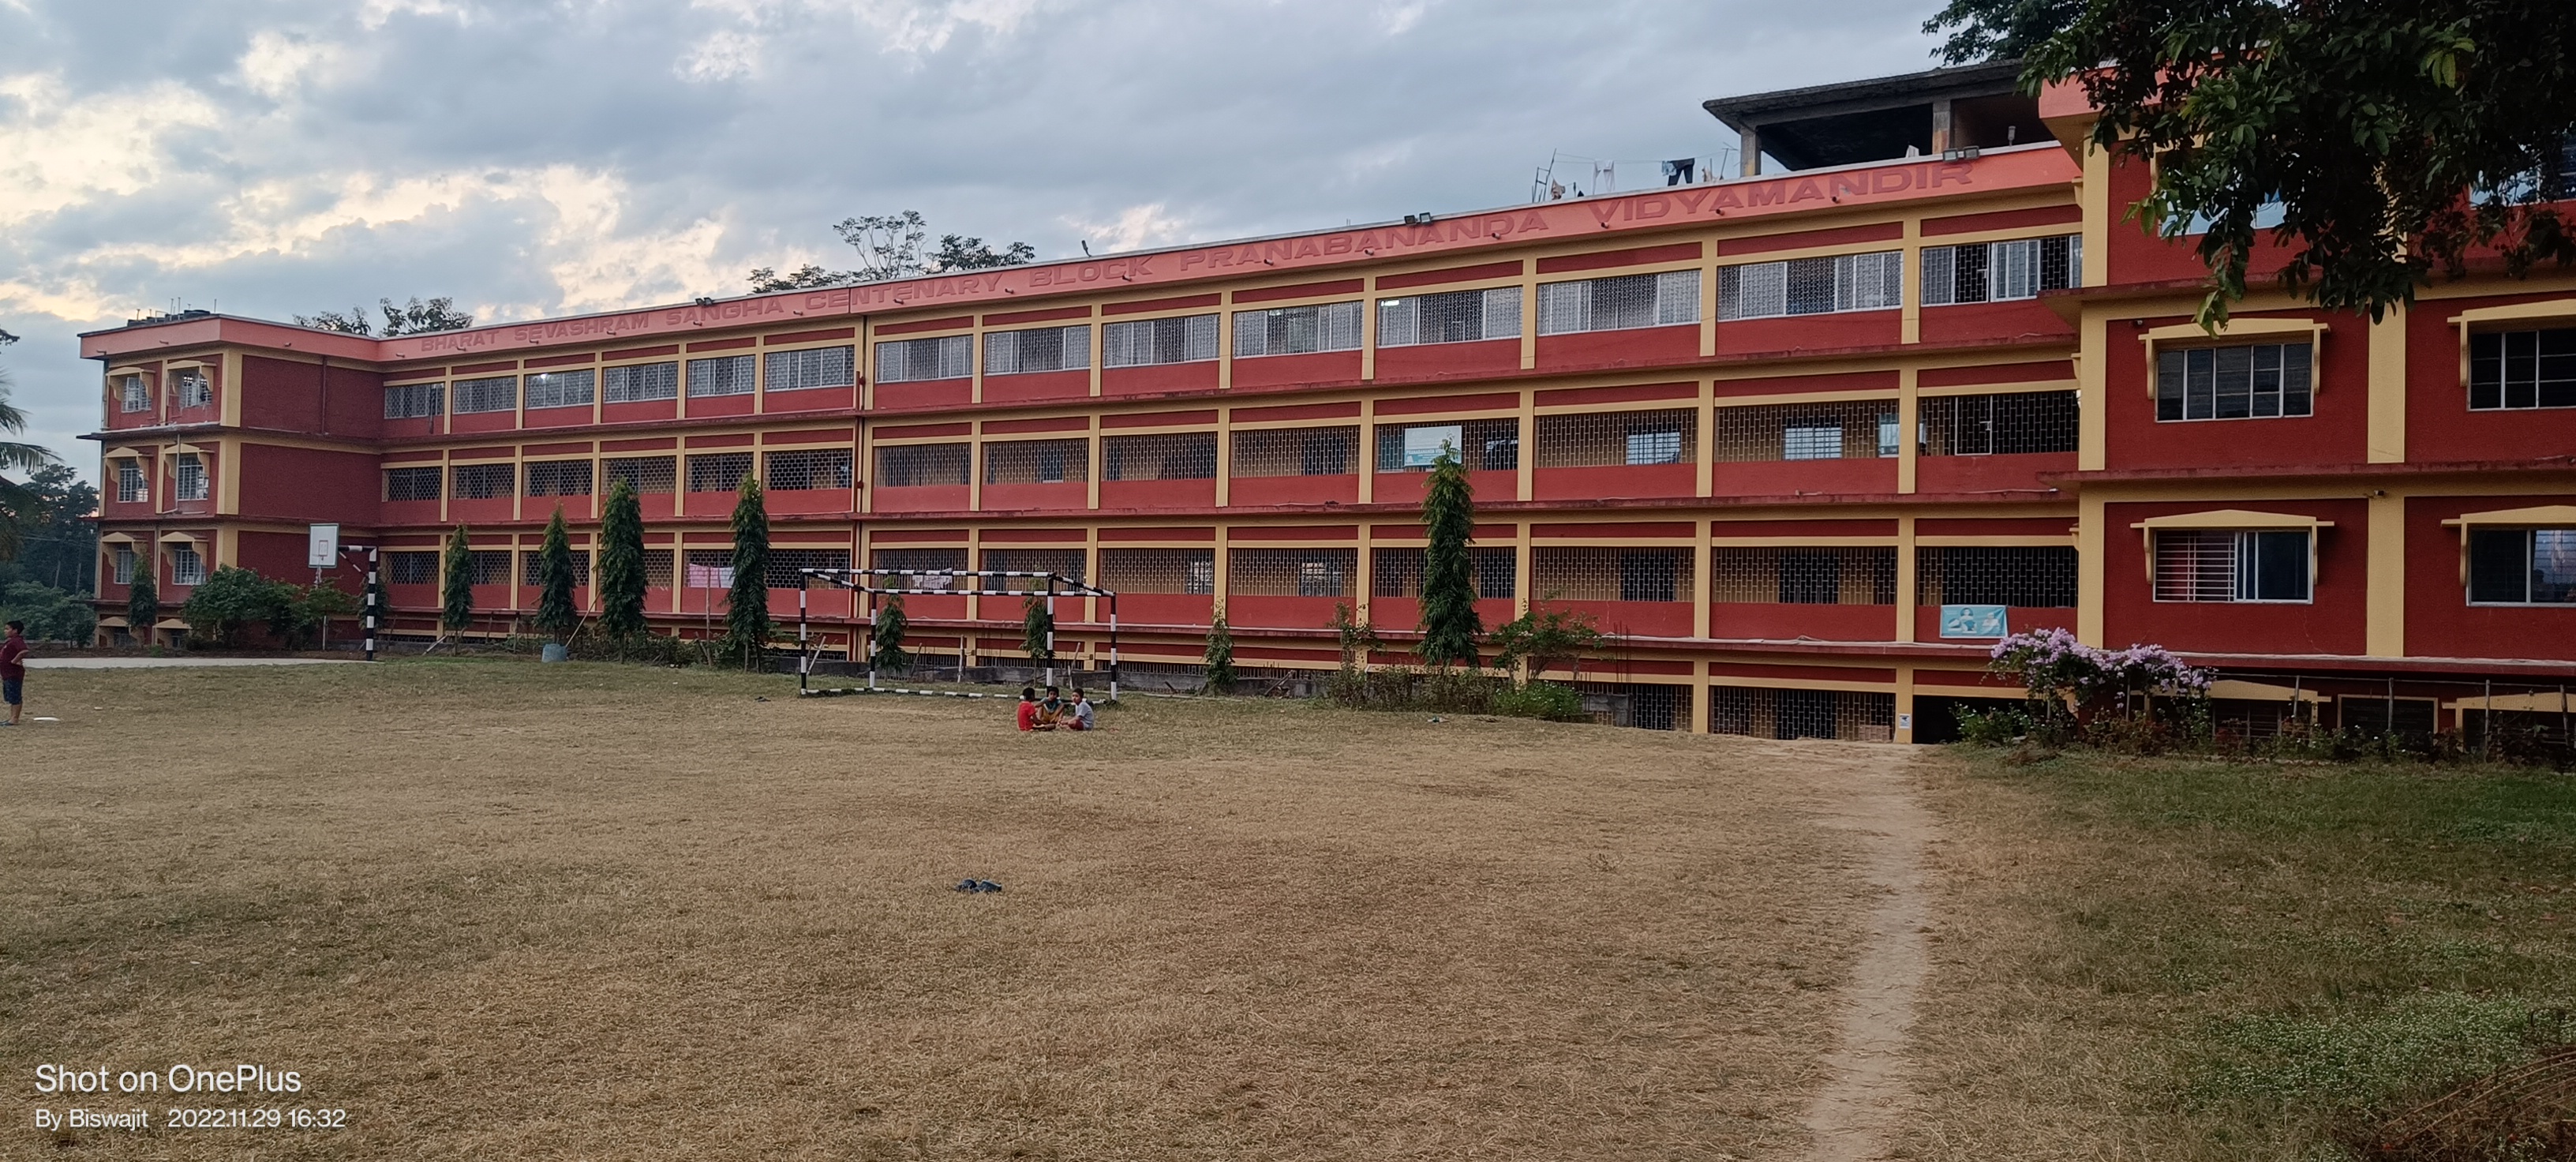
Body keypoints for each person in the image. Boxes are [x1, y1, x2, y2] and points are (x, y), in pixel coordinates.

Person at [0, 620, 25, 728]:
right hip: (6, 674)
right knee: (11, 696)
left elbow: (24, 651)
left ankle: (14, 719)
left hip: (13, 674)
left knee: (15, 696)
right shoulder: (9, 642)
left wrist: (15, 660)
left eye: (7, 629)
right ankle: (11, 717)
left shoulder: (17, 641)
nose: (5, 631)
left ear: (15, 630)